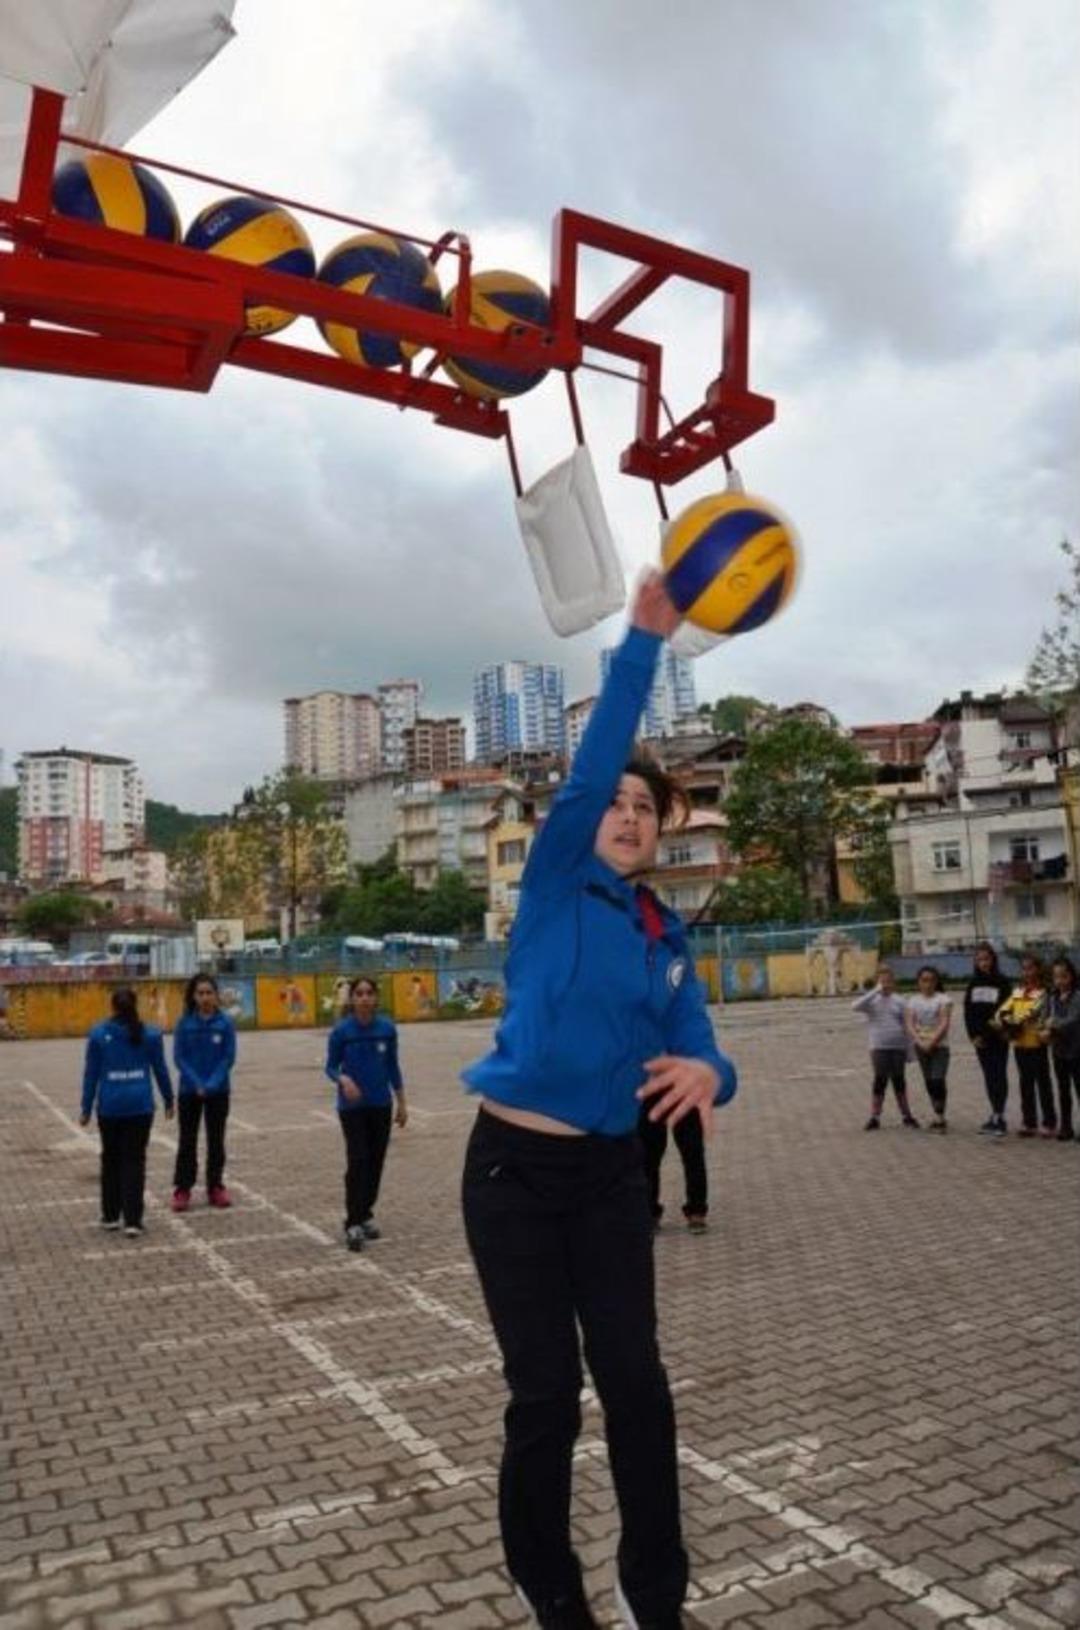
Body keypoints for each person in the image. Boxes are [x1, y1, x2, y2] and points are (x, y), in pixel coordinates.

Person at [460, 573, 738, 1630]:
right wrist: (646, 638)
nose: (626, 815)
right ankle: (549, 1586)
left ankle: (653, 1592)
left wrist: (712, 1072)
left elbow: (704, 1051)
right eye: (614, 802)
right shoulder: (556, 881)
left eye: (645, 807)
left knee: (638, 1387)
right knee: (543, 1397)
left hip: (612, 1181)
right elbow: (597, 756)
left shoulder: (667, 942)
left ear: (665, 830)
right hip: (513, 1176)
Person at [79, 986, 174, 1236]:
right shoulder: (151, 1034)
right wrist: (169, 1098)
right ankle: (133, 1220)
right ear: (135, 1005)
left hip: (110, 1106)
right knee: (134, 1161)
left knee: (110, 1160)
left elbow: (91, 1074)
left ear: (112, 1006)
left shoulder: (99, 1034)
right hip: (140, 1106)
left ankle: (110, 1216)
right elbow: (160, 1069)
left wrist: (85, 1107)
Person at [325, 976, 407, 1251]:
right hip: (352, 1109)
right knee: (358, 1160)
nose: (364, 998)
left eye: (369, 993)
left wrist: (402, 1103)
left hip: (380, 1105)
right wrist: (343, 1080)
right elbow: (330, 1067)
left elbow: (393, 1066)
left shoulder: (386, 1028)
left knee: (375, 1162)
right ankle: (353, 1222)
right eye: (359, 993)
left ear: (376, 997)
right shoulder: (342, 1031)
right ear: (352, 998)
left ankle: (366, 1213)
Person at [171, 973, 237, 1212]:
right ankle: (183, 1189)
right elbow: (179, 1057)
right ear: (193, 996)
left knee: (216, 1140)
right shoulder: (184, 1023)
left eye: (209, 992)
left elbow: (228, 1058)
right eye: (200, 993)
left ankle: (215, 1186)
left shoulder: (225, 1023)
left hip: (218, 1091)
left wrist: (211, 1084)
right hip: (190, 1091)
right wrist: (196, 1083)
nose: (205, 997)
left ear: (216, 995)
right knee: (187, 1140)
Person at [993, 954, 1055, 1137]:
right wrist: (1002, 1020)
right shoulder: (1018, 991)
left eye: (1030, 968)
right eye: (1024, 968)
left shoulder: (1044, 992)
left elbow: (1031, 1013)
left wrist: (1010, 1021)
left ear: (1038, 969)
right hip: (1020, 1044)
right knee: (1025, 1084)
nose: (1027, 972)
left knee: (1043, 1084)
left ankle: (1049, 1123)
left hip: (1037, 1043)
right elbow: (1002, 1011)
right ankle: (1029, 1122)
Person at [852, 965, 919, 1130]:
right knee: (880, 1079)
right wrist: (876, 990)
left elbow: (907, 1027)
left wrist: (910, 1051)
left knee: (899, 1080)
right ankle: (875, 1116)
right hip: (879, 1046)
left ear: (894, 982)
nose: (886, 984)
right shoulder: (871, 1000)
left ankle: (906, 1115)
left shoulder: (900, 1000)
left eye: (889, 980)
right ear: (877, 982)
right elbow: (855, 1006)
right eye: (882, 981)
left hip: (898, 1047)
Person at [963, 943, 1013, 1135]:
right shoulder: (973, 983)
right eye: (980, 959)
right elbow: (969, 1013)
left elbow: (1006, 1011)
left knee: (999, 1075)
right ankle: (994, 1114)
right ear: (976, 962)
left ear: (993, 960)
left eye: (987, 958)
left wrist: (993, 1032)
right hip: (980, 1041)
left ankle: (1000, 1117)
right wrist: (973, 1036)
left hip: (998, 1038)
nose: (984, 962)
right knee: (989, 1077)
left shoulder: (1002, 982)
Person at [637, 1102, 709, 1233]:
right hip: (651, 1091)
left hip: (684, 1089)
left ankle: (697, 1211)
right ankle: (650, 1212)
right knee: (649, 1157)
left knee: (693, 1152)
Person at [905, 966, 952, 1132]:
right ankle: (937, 1114)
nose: (928, 983)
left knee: (938, 1079)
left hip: (940, 1047)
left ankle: (940, 1116)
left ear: (936, 981)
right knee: (929, 1081)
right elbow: (910, 1023)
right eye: (924, 980)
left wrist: (932, 1042)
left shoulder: (943, 999)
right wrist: (919, 1041)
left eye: (931, 979)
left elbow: (944, 1022)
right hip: (921, 1047)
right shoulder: (913, 1001)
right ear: (918, 982)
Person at [1042, 955, 1080, 1142]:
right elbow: (1044, 1018)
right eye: (1056, 977)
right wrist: (1044, 1030)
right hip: (1059, 1051)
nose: (1060, 981)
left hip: (1077, 1050)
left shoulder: (1078, 996)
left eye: (1064, 976)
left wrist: (1053, 1025)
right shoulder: (1051, 997)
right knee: (1063, 1090)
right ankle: (1066, 1126)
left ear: (1071, 976)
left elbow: (1072, 1020)